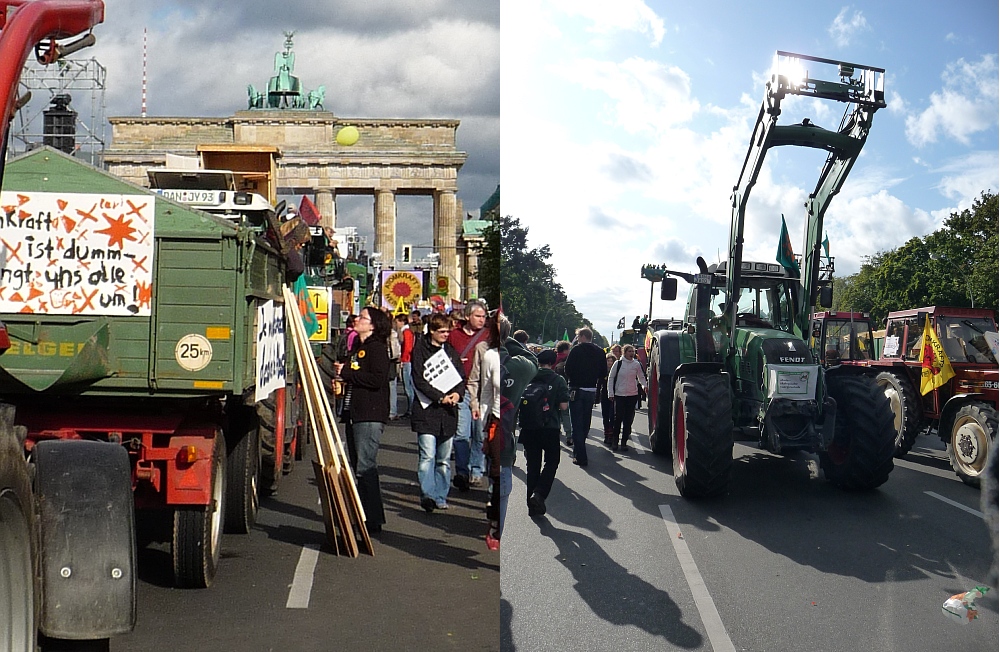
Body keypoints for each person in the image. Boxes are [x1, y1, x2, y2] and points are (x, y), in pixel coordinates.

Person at [333, 307, 391, 534]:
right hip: (355, 411)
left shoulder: (376, 349)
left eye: (363, 318)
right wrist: (343, 373)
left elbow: (377, 379)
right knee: (358, 464)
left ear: (373, 325)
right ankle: (362, 513)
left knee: (366, 466)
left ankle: (373, 518)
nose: (357, 320)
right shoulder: (359, 346)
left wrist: (347, 373)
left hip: (370, 413)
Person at [411, 312, 465, 512]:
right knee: (427, 456)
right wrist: (440, 397)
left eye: (447, 331)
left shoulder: (450, 351)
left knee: (443, 460)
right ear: (432, 331)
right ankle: (428, 495)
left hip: (448, 414)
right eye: (442, 331)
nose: (445, 334)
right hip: (427, 412)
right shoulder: (420, 351)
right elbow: (419, 379)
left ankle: (441, 495)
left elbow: (460, 377)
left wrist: (457, 395)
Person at [498, 314, 537, 545]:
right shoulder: (516, 366)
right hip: (502, 446)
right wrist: (508, 339)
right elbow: (532, 359)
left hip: (471, 443)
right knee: (501, 501)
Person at [520, 349, 569, 517]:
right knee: (551, 462)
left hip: (529, 427)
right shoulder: (558, 379)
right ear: (553, 362)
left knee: (532, 465)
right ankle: (539, 494)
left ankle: (531, 506)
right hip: (550, 427)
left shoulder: (528, 375)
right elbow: (563, 406)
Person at [447, 300, 489, 490]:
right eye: (478, 316)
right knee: (462, 434)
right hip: (461, 390)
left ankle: (477, 471)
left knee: (480, 434)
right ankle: (462, 472)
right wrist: (456, 361)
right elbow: (444, 358)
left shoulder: (488, 336)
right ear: (467, 316)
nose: (482, 320)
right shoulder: (454, 336)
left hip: (483, 392)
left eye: (483, 316)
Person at [469, 314, 501, 549]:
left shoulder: (522, 358)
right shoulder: (489, 355)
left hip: (516, 425)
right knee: (498, 477)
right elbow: (487, 391)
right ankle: (496, 524)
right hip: (497, 422)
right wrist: (482, 420)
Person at [563, 327, 608, 467]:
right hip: (591, 389)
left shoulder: (576, 350)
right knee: (585, 420)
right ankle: (579, 449)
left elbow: (567, 369)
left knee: (576, 423)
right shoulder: (600, 352)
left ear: (582, 336)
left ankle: (580, 456)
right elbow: (603, 372)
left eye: (577, 336)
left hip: (576, 388)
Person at [607, 344, 647, 452]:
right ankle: (615, 441)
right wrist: (610, 393)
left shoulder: (636, 364)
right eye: (629, 351)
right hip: (619, 394)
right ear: (624, 352)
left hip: (632, 394)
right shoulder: (618, 363)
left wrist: (644, 386)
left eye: (633, 351)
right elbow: (611, 378)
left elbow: (641, 377)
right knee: (618, 418)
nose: (631, 353)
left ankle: (624, 442)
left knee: (628, 419)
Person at [396, 313, 416, 418]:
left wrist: (403, 359)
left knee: (408, 386)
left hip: (407, 361)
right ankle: (410, 409)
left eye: (398, 321)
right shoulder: (407, 331)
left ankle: (411, 409)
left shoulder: (406, 332)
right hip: (407, 360)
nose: (397, 324)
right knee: (408, 386)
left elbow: (408, 348)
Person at [554, 341, 572, 445]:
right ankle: (569, 435)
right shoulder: (569, 360)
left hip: (552, 390)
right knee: (565, 413)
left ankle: (556, 431)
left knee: (554, 412)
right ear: (565, 350)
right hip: (565, 389)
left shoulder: (552, 358)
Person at [598, 352, 616, 446]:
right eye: (608, 361)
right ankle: (606, 433)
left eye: (611, 361)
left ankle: (611, 435)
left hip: (613, 396)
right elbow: (599, 384)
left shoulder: (616, 371)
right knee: (605, 416)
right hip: (604, 395)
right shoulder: (603, 371)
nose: (609, 363)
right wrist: (597, 398)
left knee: (612, 416)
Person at [387, 314, 402, 420]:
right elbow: (395, 351)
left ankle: (388, 411)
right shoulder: (392, 333)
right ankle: (392, 411)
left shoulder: (377, 333)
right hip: (391, 362)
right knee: (392, 387)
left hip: (384, 362)